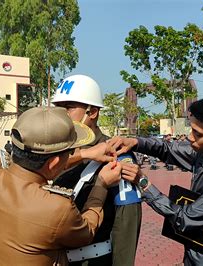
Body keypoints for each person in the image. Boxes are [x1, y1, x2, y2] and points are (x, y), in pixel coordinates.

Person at [0, 107, 122, 265]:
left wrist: (86, 153)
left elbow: (17, 160)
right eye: (70, 152)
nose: (73, 155)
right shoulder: (57, 209)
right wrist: (101, 184)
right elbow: (87, 231)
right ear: (54, 163)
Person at [110, 96, 203, 266]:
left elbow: (184, 220)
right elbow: (167, 149)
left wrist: (143, 182)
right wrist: (135, 142)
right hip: (193, 254)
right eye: (191, 130)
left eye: (198, 134)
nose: (190, 138)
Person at [52, 74, 142, 266]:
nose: (61, 115)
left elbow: (126, 224)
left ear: (92, 112)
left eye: (68, 108)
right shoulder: (55, 152)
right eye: (58, 108)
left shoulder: (118, 154)